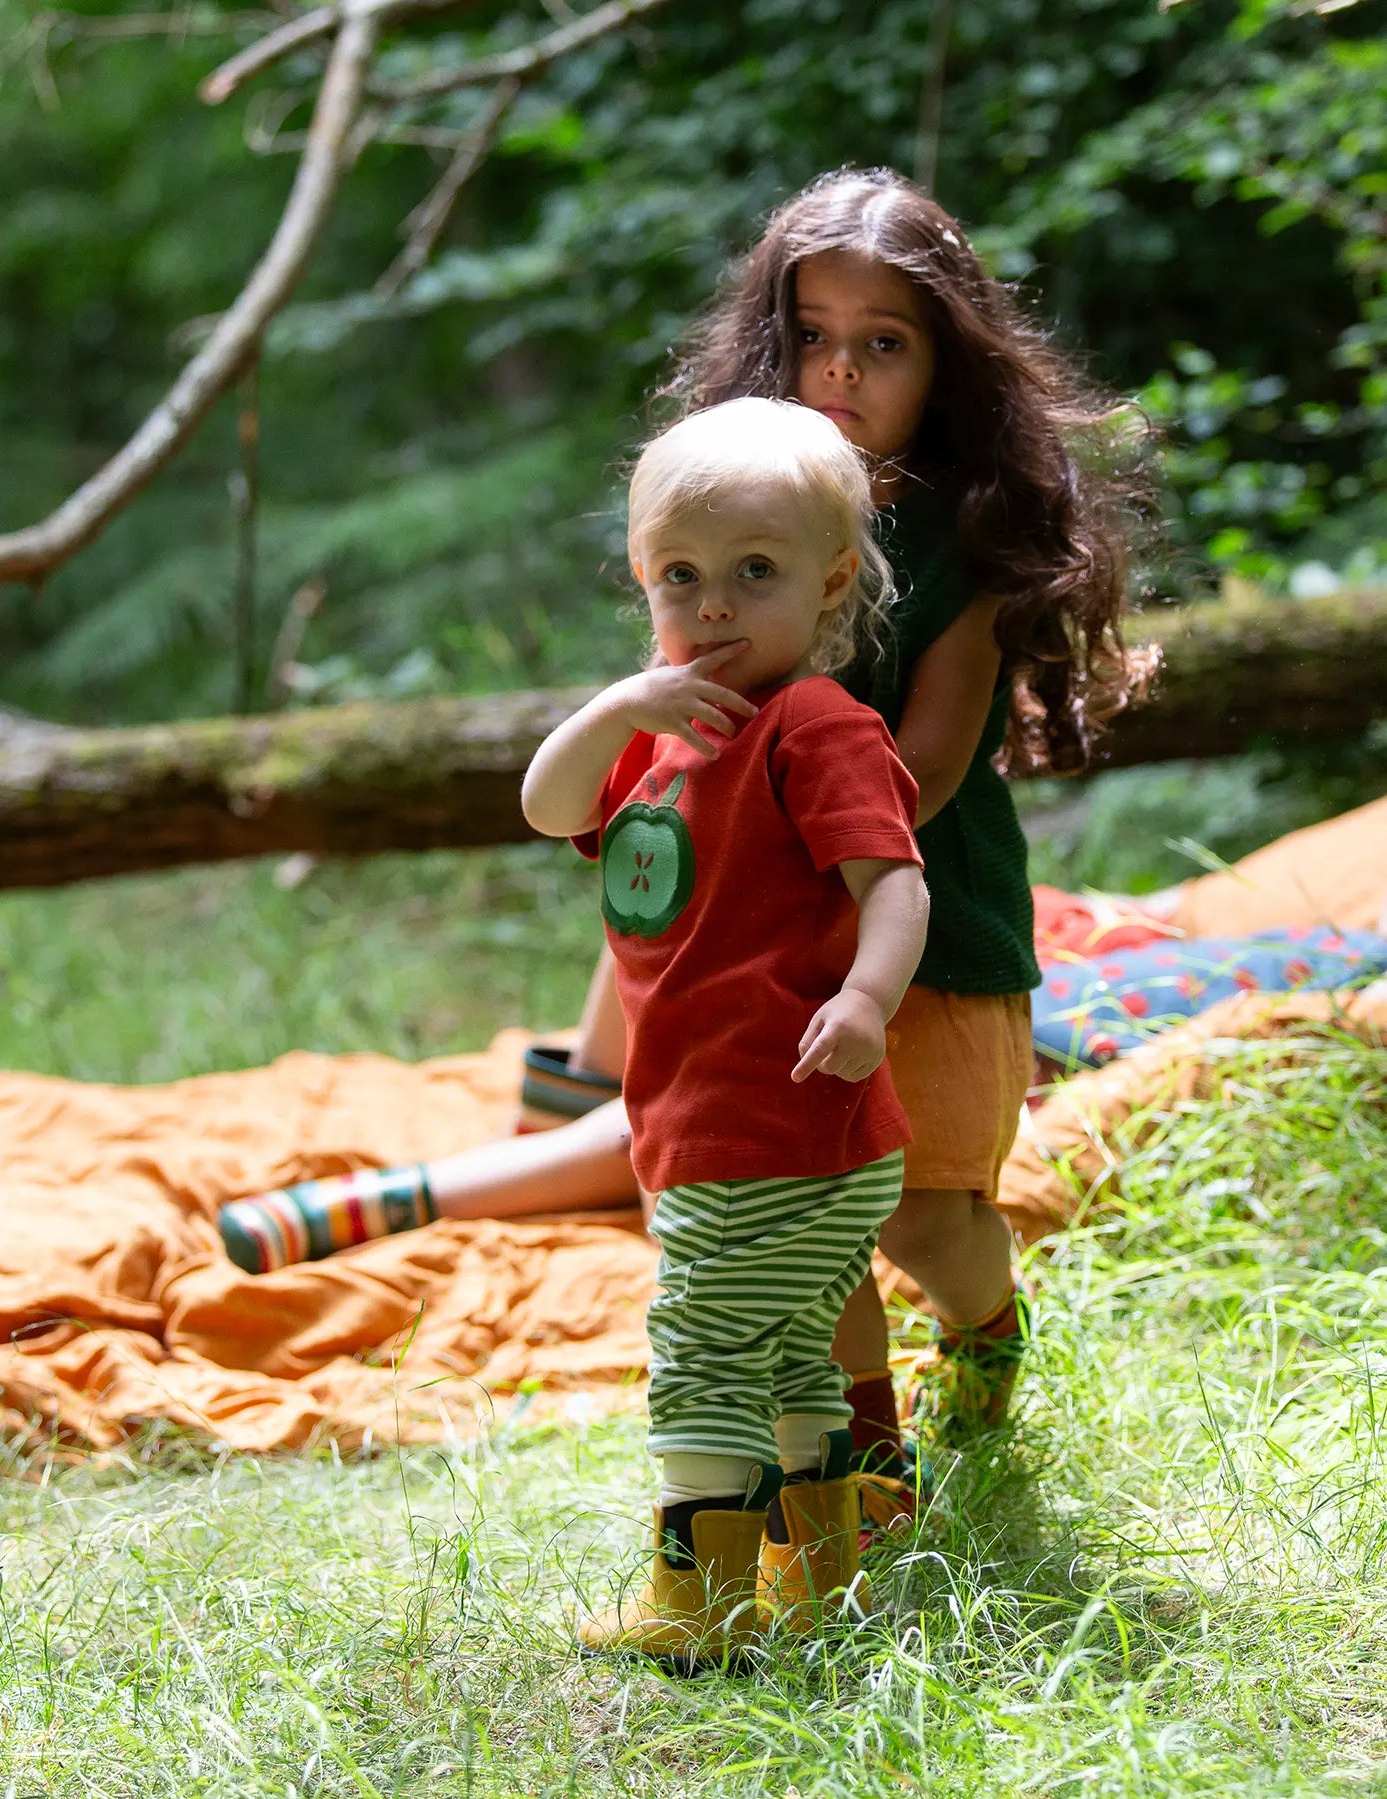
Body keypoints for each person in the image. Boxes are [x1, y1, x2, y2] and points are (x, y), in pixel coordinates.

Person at [218, 166, 1146, 1474]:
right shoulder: (744, 500)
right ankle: (862, 1479)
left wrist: (810, 769)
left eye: (884, 343)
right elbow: (665, 732)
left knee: (929, 1218)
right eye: (815, 335)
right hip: (763, 944)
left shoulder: (970, 538)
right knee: (813, 1230)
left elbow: (928, 768)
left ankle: (987, 1334)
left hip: (924, 924)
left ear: (949, 360)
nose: (843, 369)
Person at [522, 395, 927, 1659]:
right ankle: (818, 1573)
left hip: (777, 1123)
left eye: (756, 573)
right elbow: (546, 804)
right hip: (735, 1124)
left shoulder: (814, 725)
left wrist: (865, 996)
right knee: (796, 1353)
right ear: (642, 579)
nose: (713, 607)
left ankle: (695, 1606)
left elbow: (897, 881)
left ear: (830, 582)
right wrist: (616, 709)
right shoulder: (666, 736)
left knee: (701, 1353)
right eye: (681, 576)